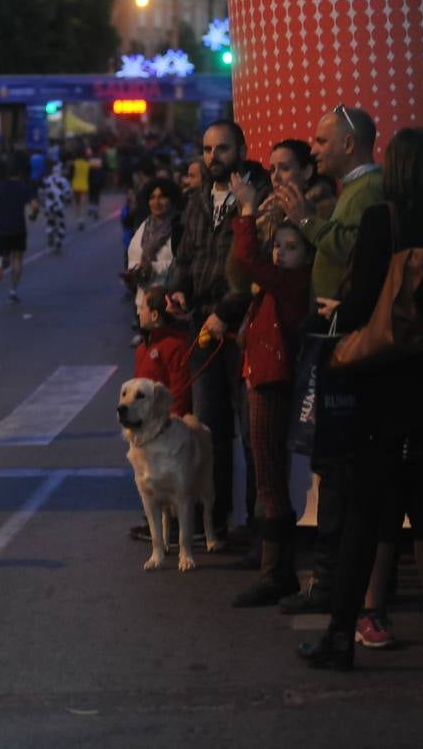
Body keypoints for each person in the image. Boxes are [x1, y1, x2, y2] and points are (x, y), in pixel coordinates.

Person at [297, 127, 423, 672]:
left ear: (398, 170)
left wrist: (335, 309)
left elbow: (362, 307)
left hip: (392, 388)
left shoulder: (382, 221)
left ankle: (340, 635)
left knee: (368, 510)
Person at [274, 105, 385, 615]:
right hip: (331, 337)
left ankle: (336, 589)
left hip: (347, 342)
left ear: (349, 144)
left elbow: (344, 248)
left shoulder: (367, 192)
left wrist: (305, 222)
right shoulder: (353, 192)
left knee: (340, 470)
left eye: (320, 142)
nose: (312, 150)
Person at [227, 167, 314, 608]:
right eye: (278, 247)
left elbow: (246, 259)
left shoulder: (294, 284)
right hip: (264, 376)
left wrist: (245, 210)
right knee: (270, 477)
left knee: (269, 479)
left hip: (271, 381)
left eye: (292, 247)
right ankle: (276, 570)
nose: (281, 254)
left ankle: (275, 573)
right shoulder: (282, 283)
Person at [165, 120, 254, 544]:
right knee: (209, 432)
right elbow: (184, 258)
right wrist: (176, 292)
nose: (212, 157)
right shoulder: (198, 200)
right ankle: (212, 523)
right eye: (206, 149)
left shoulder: (257, 196)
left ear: (240, 149)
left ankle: (258, 527)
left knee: (252, 430)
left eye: (222, 149)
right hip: (201, 327)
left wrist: (225, 312)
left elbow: (253, 268)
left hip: (242, 328)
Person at [124, 178, 183, 325]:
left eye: (162, 197)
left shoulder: (180, 227)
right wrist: (134, 271)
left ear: (171, 199)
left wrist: (153, 268)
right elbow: (133, 255)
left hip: (169, 306)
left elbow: (181, 264)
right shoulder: (143, 228)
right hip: (143, 306)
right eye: (152, 197)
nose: (156, 202)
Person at [0, 162, 40, 303]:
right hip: (18, 227)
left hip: (2, 226)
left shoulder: (0, 188)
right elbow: (35, 205)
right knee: (17, 259)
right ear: (19, 175)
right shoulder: (23, 188)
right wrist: (33, 216)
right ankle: (13, 290)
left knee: (2, 253)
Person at [133, 286, 192, 417]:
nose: (138, 312)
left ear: (154, 315)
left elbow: (180, 391)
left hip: (164, 426)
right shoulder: (142, 349)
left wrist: (172, 422)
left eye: (142, 308)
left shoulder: (175, 346)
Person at [39, 159, 74, 255]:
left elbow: (41, 192)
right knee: (61, 222)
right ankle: (58, 239)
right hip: (59, 205)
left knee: (50, 221)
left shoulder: (46, 179)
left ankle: (50, 232)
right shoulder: (64, 181)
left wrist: (42, 202)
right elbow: (68, 193)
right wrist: (68, 200)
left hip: (49, 205)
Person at [71, 149, 91, 230]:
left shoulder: (74, 163)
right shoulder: (87, 164)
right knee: (83, 203)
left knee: (77, 203)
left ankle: (78, 219)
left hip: (75, 184)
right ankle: (82, 220)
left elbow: (71, 174)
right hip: (84, 185)